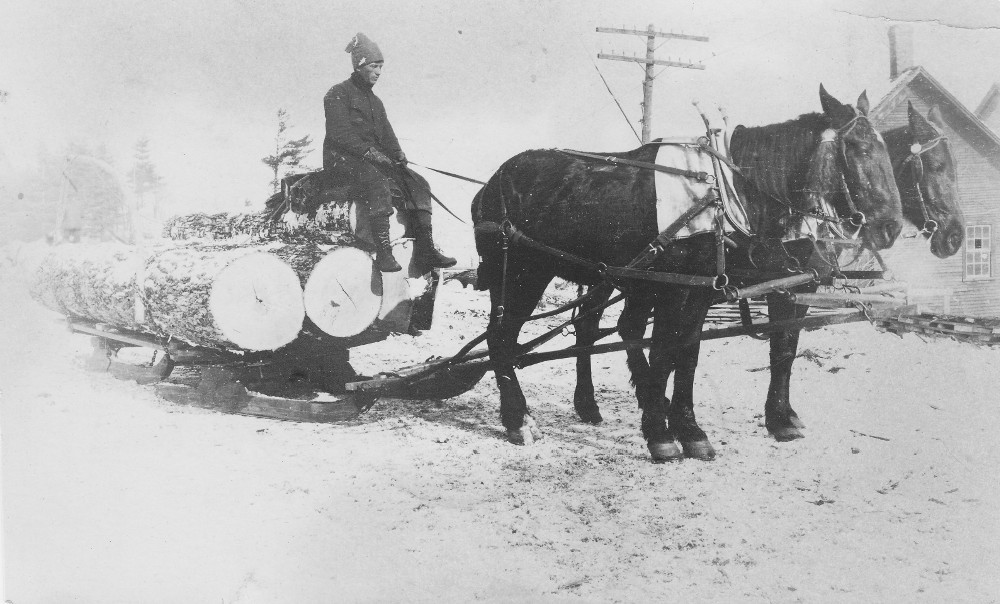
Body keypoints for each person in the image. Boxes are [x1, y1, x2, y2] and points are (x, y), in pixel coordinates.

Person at [323, 32, 456, 273]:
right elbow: (338, 134)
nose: (378, 72)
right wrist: (370, 153)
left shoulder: (376, 102)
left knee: (418, 182)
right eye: (374, 66)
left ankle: (426, 250)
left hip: (369, 159)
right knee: (376, 181)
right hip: (341, 160)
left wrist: (397, 154)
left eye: (381, 67)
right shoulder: (338, 93)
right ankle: (384, 253)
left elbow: (387, 135)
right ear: (360, 65)